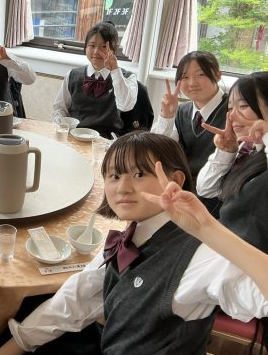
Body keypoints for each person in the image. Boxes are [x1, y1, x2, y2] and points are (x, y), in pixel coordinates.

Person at [0, 132, 268, 355]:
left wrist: (209, 230)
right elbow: (70, 303)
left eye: (139, 174)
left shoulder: (200, 256)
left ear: (176, 180)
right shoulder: (127, 237)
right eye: (114, 176)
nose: (123, 187)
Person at [197, 72, 268, 253]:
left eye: (243, 106)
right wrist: (225, 152)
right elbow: (206, 189)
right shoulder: (247, 148)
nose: (233, 116)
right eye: (230, 108)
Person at [151, 51, 227, 184]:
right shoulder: (182, 111)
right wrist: (166, 117)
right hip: (181, 184)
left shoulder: (234, 110)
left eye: (201, 74)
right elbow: (157, 150)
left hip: (218, 188)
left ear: (218, 75)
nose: (192, 83)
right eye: (185, 77)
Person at [52, 21, 138, 138]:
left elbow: (125, 105)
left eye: (103, 47)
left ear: (115, 49)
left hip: (108, 142)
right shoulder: (72, 75)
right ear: (85, 47)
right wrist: (63, 127)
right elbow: (59, 108)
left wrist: (115, 70)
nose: (96, 51)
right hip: (75, 138)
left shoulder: (128, 77)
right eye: (92, 45)